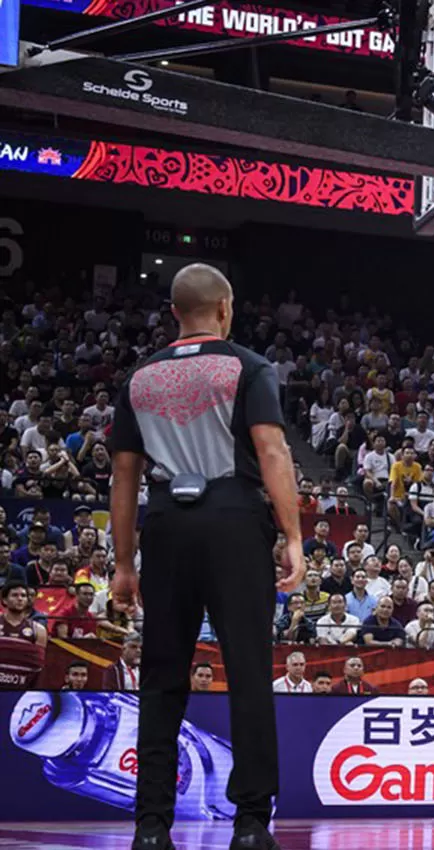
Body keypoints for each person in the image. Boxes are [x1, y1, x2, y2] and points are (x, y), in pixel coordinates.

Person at [108, 265, 304, 850]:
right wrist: (292, 535)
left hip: (166, 524)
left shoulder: (139, 376)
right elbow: (271, 449)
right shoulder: (248, 366)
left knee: (162, 680)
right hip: (233, 521)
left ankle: (150, 826)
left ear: (175, 313)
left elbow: (123, 474)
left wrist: (123, 562)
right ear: (225, 308)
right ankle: (248, 823)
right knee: (247, 672)